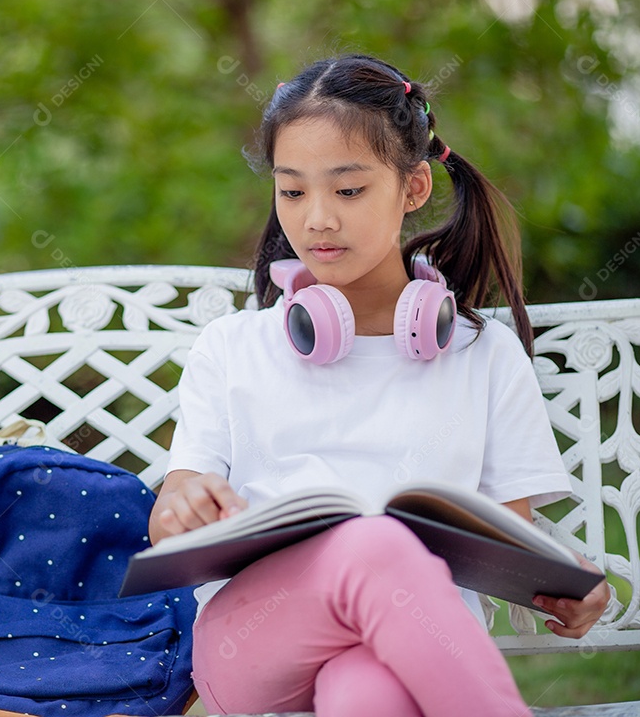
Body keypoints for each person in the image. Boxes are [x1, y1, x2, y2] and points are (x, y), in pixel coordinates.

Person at [148, 54, 610, 716]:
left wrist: (567, 583)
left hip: (415, 645)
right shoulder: (231, 347)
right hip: (254, 644)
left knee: (368, 694)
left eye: (348, 190)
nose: (316, 219)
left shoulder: (484, 355)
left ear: (413, 187)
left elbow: (508, 543)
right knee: (376, 542)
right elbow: (171, 516)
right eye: (292, 192)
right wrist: (184, 509)